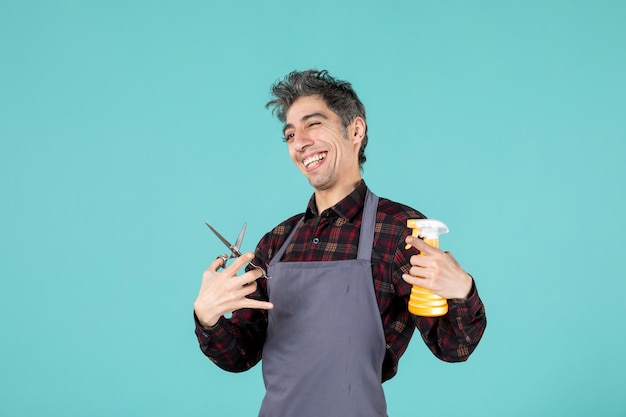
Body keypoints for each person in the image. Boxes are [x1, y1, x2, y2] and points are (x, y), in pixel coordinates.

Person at [193, 69, 486, 417]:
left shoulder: (399, 232)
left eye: (313, 124)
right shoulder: (276, 242)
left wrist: (462, 290)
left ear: (355, 131)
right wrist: (208, 318)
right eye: (289, 134)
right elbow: (240, 354)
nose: (298, 141)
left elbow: (453, 347)